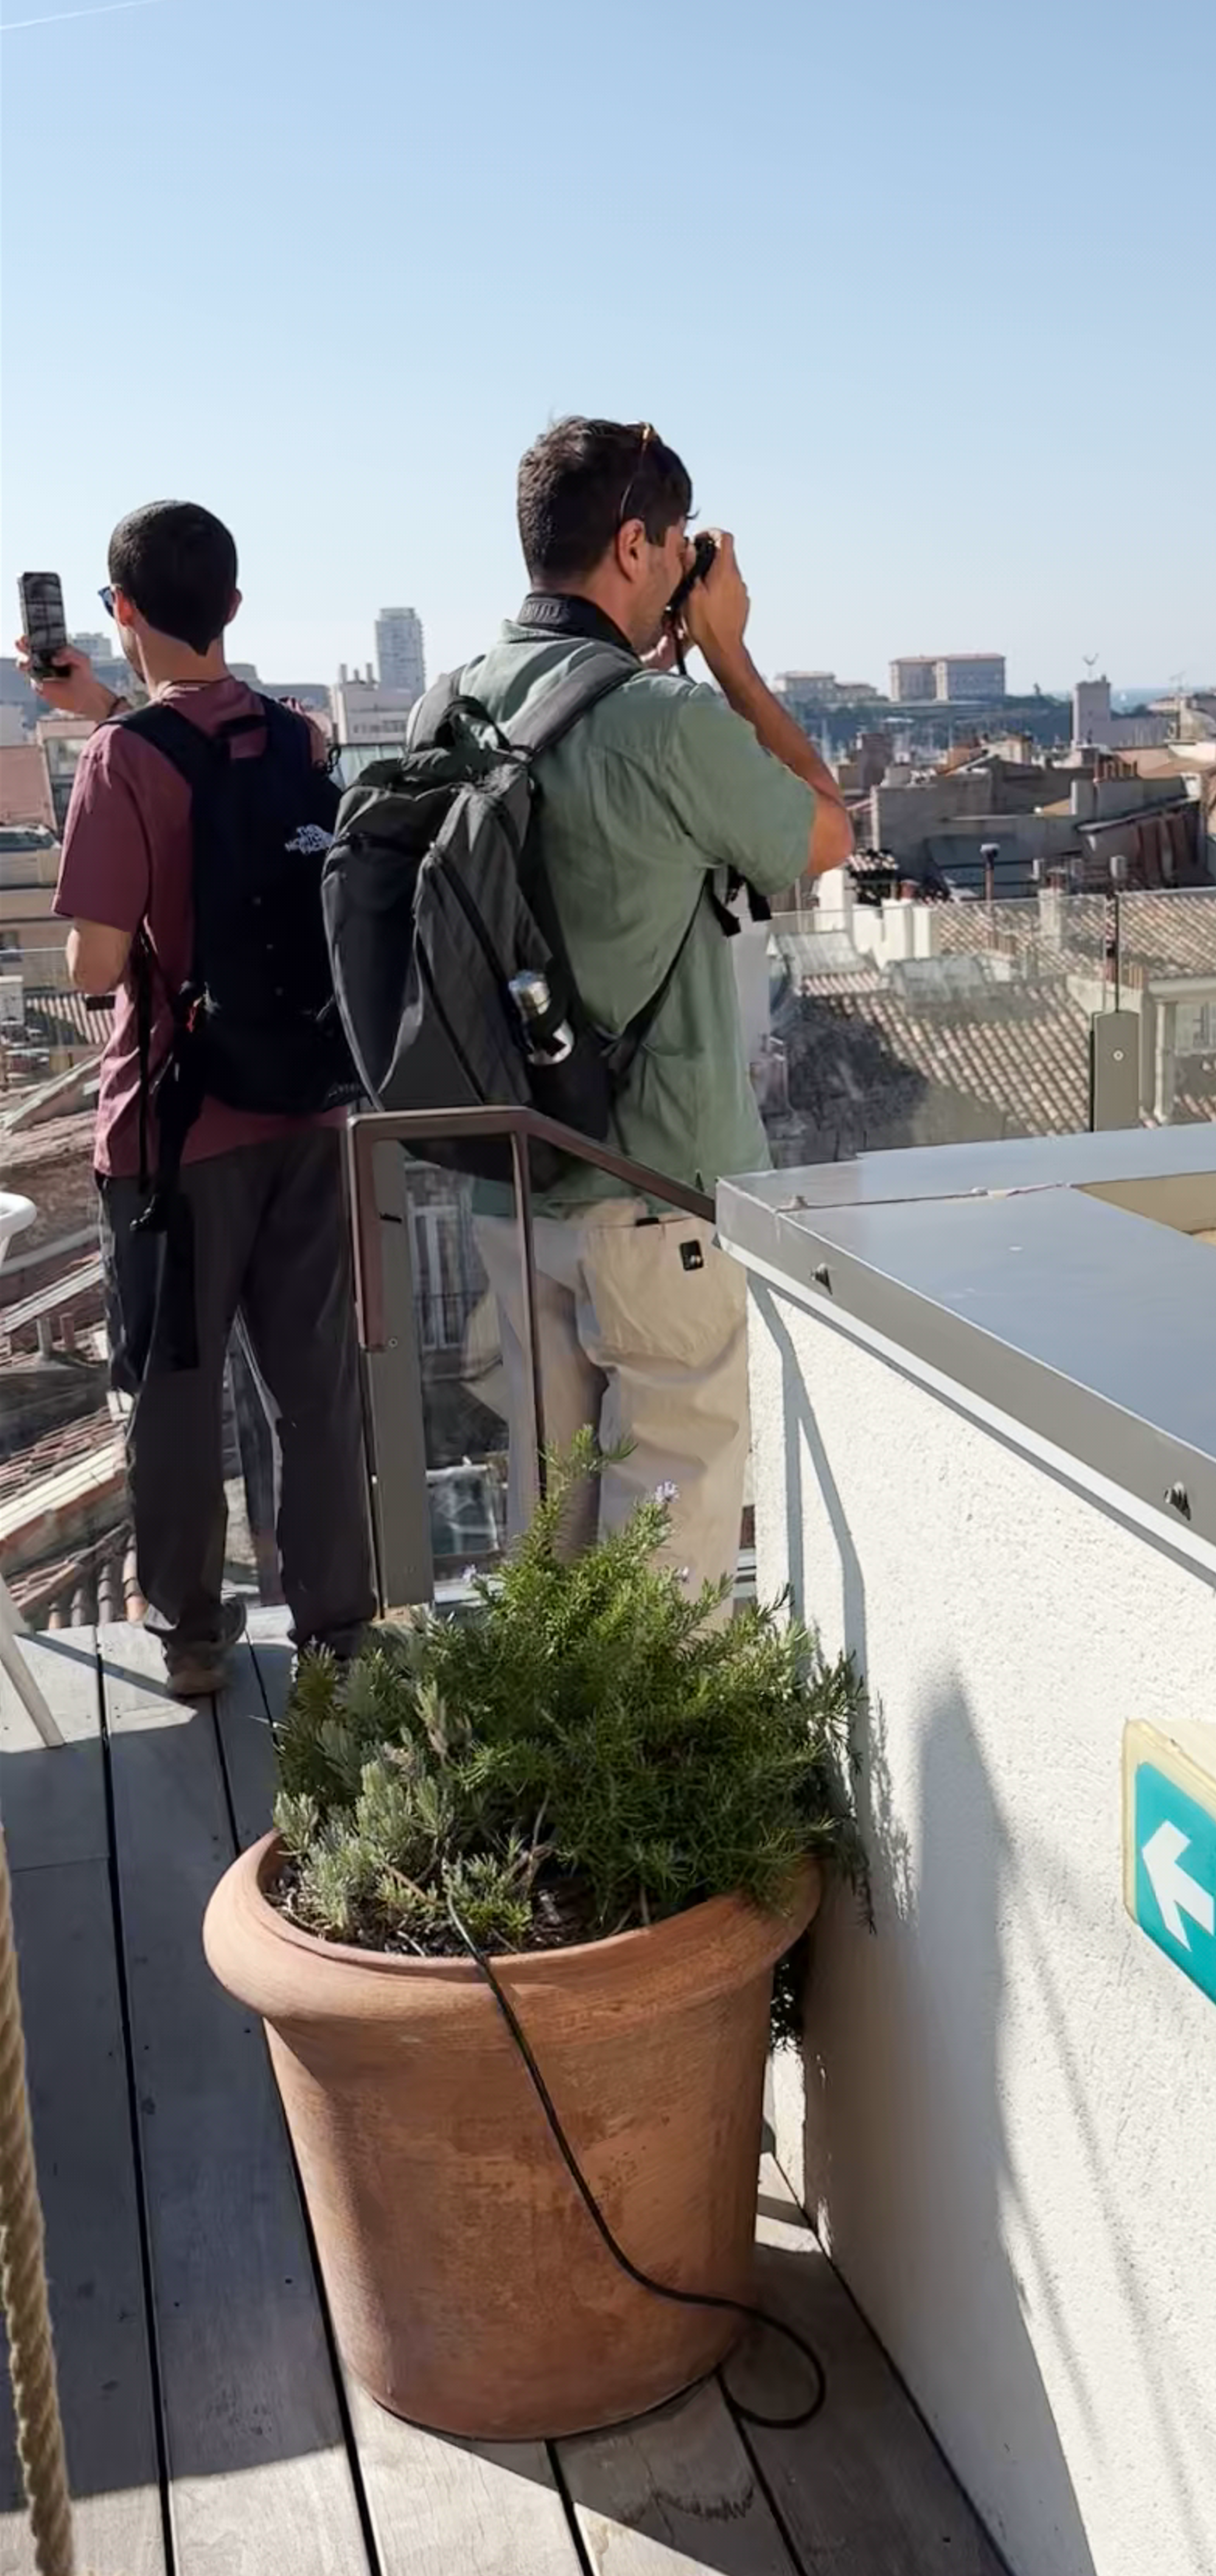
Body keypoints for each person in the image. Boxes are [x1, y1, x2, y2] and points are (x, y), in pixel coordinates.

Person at [461, 417, 853, 1598]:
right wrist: (728, 656)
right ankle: (645, 1777)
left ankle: (559, 1774)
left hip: (508, 1176)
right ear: (637, 546)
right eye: (678, 542)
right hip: (652, 1192)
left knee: (556, 1537)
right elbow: (825, 829)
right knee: (667, 1550)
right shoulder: (663, 724)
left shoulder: (456, 706)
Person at [26, 501, 375, 1696]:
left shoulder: (121, 763)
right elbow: (221, 763)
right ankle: (338, 1633)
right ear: (233, 605)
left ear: (120, 612)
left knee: (173, 1391)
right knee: (311, 1382)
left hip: (174, 1135)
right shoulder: (307, 740)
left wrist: (99, 739)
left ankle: (190, 1639)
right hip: (307, 1111)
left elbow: (91, 962)